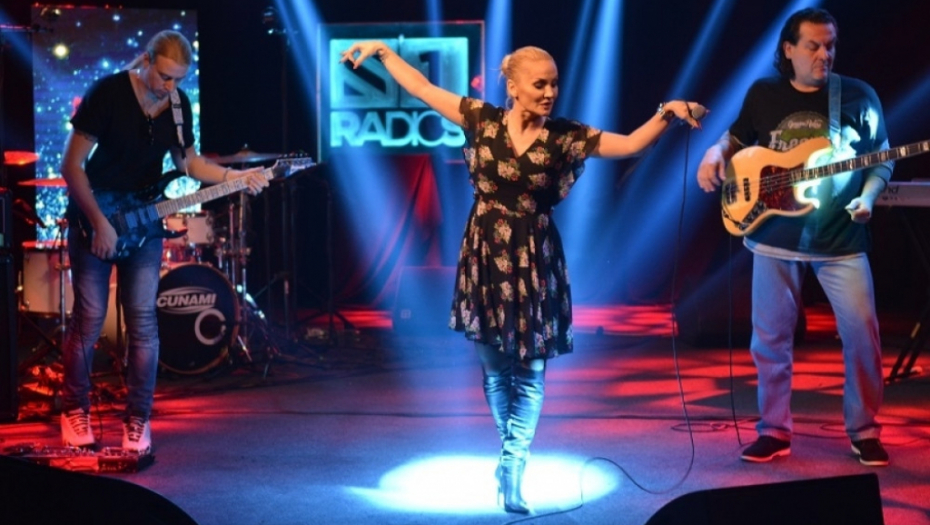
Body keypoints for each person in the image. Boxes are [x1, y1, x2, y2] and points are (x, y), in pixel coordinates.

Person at [342, 41, 705, 513]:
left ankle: (513, 466)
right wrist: (384, 54)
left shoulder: (565, 137)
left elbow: (631, 144)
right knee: (495, 371)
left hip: (534, 258)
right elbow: (423, 88)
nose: (550, 92)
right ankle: (507, 452)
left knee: (531, 373)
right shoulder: (481, 120)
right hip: (485, 255)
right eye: (540, 84)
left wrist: (667, 113)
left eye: (554, 83)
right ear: (513, 87)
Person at [696, 8, 891, 467]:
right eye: (813, 46)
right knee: (770, 340)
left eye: (830, 46)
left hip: (841, 238)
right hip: (773, 233)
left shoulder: (858, 96)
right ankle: (773, 430)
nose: (824, 54)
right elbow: (734, 138)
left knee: (862, 336)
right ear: (789, 49)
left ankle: (864, 430)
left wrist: (867, 197)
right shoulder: (763, 94)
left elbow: (881, 157)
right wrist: (714, 151)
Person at [59, 30, 268, 453]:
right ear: (147, 61)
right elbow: (71, 165)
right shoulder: (108, 93)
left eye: (178, 79)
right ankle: (74, 409)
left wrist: (235, 177)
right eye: (165, 76)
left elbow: (188, 163)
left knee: (144, 323)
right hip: (94, 218)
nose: (170, 86)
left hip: (145, 224)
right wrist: (99, 223)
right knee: (89, 319)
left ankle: (138, 419)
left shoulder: (177, 105)